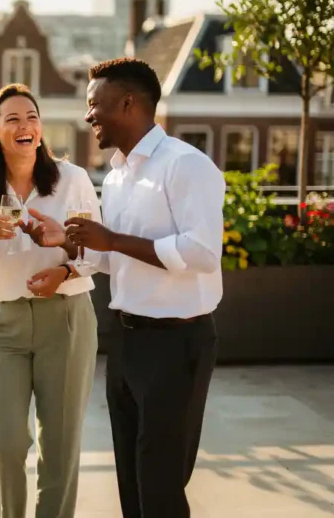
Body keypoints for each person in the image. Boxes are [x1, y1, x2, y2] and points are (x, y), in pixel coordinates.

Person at [66, 58, 224, 518]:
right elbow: (116, 261)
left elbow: (201, 252)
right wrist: (72, 243)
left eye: (95, 104)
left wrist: (112, 239)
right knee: (132, 482)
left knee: (161, 484)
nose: (88, 114)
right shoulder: (115, 176)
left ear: (128, 103)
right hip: (127, 340)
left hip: (179, 342)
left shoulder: (186, 165)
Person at [0, 83, 100, 518]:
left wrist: (64, 271)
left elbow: (98, 252)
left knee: (59, 443)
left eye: (32, 117)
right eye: (13, 119)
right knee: (4, 442)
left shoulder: (72, 180)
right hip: (2, 323)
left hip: (67, 320)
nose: (26, 126)